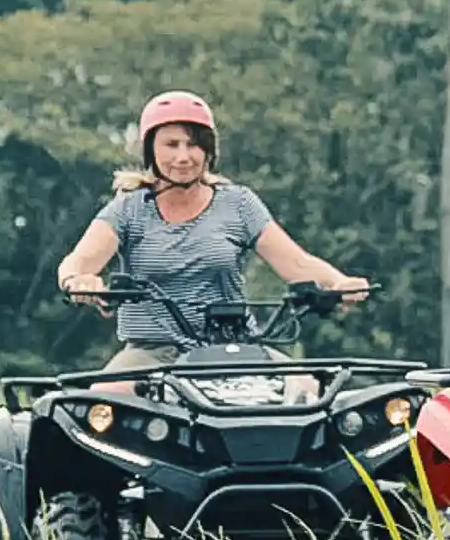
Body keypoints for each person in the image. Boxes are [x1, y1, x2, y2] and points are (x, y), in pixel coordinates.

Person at [55, 90, 370, 372]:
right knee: (105, 399)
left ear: (208, 151)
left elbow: (297, 263)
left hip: (234, 347)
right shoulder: (129, 209)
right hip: (152, 354)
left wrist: (338, 283)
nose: (183, 156)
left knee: (306, 389)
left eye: (193, 144)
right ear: (151, 150)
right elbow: (79, 259)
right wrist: (78, 280)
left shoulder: (238, 204)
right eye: (171, 145)